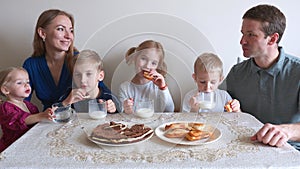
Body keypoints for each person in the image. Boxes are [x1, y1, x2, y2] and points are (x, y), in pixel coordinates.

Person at [223, 4, 300, 149]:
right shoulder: (236, 73)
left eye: (251, 35)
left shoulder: (297, 72)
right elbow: (220, 107)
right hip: (244, 147)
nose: (242, 41)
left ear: (272, 39)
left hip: (290, 151)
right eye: (243, 33)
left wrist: (285, 131)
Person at [22, 9, 109, 111]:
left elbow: (104, 94)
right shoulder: (31, 65)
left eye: (71, 30)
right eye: (60, 29)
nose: (68, 36)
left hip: (78, 120)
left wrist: (107, 103)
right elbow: (20, 105)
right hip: (47, 121)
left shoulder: (79, 60)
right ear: (42, 33)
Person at [0, 67, 53, 152]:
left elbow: (36, 123)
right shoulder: (5, 107)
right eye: (19, 83)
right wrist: (40, 116)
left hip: (29, 143)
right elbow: (19, 120)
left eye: (27, 82)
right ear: (6, 90)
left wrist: (47, 115)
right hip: (13, 147)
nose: (26, 85)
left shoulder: (29, 105)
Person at [119, 40, 175, 114]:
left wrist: (163, 87)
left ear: (157, 67)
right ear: (135, 58)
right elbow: (122, 114)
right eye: (143, 59)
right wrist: (126, 110)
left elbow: (169, 110)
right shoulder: (125, 88)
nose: (147, 66)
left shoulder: (158, 87)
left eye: (153, 63)